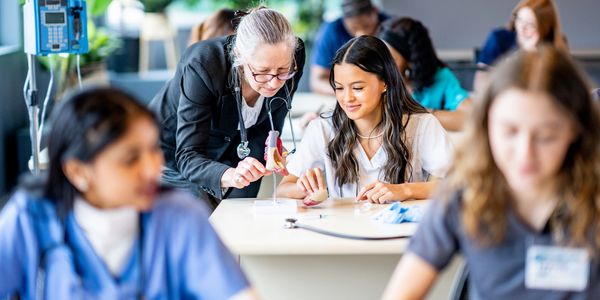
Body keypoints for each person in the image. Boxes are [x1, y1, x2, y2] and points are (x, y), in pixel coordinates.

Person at [382, 46, 600, 299]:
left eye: (546, 136)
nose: (524, 153)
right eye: (509, 132)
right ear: (486, 127)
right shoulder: (462, 196)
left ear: (575, 131)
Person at [0, 87, 257, 299]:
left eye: (153, 150)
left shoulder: (179, 215)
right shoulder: (29, 219)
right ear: (78, 172)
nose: (151, 169)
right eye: (130, 159)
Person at [149, 7, 305, 209]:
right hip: (172, 151)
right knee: (202, 219)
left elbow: (267, 125)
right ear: (240, 57)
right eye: (262, 72)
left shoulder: (294, 54)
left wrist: (266, 158)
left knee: (242, 215)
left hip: (234, 146)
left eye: (283, 71)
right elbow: (188, 156)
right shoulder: (203, 64)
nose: (274, 83)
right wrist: (228, 174)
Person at [277, 35, 453, 203]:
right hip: (343, 231)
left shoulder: (421, 125)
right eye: (339, 88)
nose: (347, 98)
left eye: (358, 88)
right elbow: (283, 188)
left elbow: (464, 184)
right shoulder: (322, 128)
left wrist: (405, 190)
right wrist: (303, 189)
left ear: (385, 82)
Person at [378, 17, 472, 131]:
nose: (381, 65)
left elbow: (470, 117)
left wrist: (419, 114)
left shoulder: (441, 78)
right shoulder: (375, 80)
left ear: (411, 60)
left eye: (390, 59)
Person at [473, 0, 567, 93]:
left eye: (530, 25)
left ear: (545, 28)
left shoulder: (555, 46)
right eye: (519, 19)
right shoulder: (499, 38)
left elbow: (560, 90)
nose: (521, 28)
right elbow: (480, 84)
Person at [310, 0, 388, 95]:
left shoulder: (393, 28)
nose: (361, 35)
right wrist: (348, 92)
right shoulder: (331, 31)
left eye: (366, 26)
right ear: (344, 20)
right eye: (354, 29)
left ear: (375, 11)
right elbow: (318, 81)